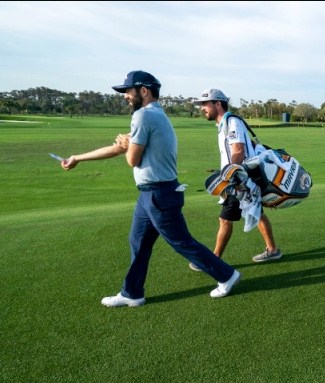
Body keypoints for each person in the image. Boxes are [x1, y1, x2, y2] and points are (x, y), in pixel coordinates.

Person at [60, 71, 241, 307]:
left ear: (143, 91)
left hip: (159, 194)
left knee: (181, 242)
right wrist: (77, 158)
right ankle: (132, 293)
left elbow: (131, 159)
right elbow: (119, 149)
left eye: (128, 91)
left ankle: (227, 275)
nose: (125, 96)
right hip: (150, 194)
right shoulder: (154, 114)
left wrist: (127, 145)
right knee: (138, 241)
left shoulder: (143, 116)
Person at [191, 88, 282, 271]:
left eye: (205, 104)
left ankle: (214, 260)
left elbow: (238, 150)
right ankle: (272, 250)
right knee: (256, 212)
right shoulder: (225, 123)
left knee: (225, 220)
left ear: (218, 104)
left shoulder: (231, 122)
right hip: (242, 179)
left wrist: (230, 176)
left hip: (238, 181)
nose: (202, 108)